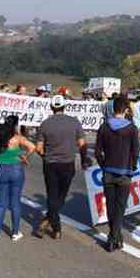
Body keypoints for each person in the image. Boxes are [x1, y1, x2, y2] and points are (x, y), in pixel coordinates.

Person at [34, 95, 90, 240]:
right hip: (68, 164)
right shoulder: (74, 122)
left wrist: (46, 156)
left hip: (50, 164)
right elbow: (82, 144)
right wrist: (84, 160)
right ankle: (53, 225)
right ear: (65, 106)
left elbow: (39, 148)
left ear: (52, 107)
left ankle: (51, 224)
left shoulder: (45, 124)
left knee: (52, 195)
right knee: (61, 196)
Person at [0, 115, 36, 243]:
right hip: (17, 170)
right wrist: (24, 157)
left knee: (1, 204)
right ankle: (15, 232)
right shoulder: (18, 138)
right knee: (15, 203)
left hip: (2, 170)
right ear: (16, 125)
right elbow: (33, 147)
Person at [94, 97, 140, 252]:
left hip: (108, 171)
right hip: (125, 172)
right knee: (120, 207)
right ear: (126, 110)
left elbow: (97, 151)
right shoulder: (132, 129)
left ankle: (114, 236)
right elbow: (136, 151)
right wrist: (132, 166)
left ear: (113, 110)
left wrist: (103, 165)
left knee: (111, 206)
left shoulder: (104, 127)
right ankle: (114, 237)